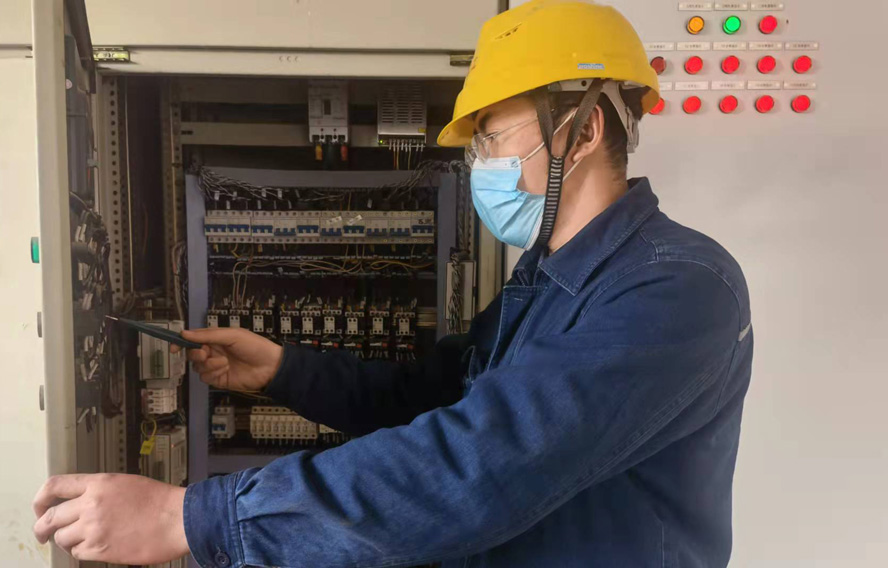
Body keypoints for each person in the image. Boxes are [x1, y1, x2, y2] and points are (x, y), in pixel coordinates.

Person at [32, 1, 753, 566]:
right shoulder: (545, 280)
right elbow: (431, 396)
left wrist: (188, 517)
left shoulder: (677, 290)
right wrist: (284, 369)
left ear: (584, 129)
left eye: (491, 137)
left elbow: (479, 464)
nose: (481, 162)